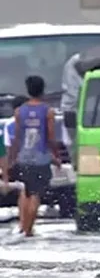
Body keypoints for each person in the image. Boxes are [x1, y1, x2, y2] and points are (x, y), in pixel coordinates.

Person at [3, 76, 63, 237]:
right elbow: (51, 137)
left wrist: (11, 159)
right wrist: (56, 156)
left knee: (26, 191)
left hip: (24, 158)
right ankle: (29, 230)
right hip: (41, 158)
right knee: (36, 193)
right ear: (43, 89)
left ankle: (24, 226)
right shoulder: (47, 111)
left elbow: (16, 139)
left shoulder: (19, 111)